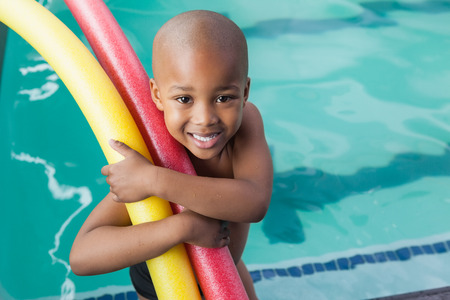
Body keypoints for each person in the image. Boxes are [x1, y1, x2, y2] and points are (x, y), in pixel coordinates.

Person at [69, 10, 273, 300]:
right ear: (157, 94)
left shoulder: (246, 125)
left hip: (228, 274)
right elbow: (82, 256)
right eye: (184, 99)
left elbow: (254, 203)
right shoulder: (155, 153)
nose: (205, 118)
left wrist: (155, 181)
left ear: (245, 91)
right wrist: (181, 227)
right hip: (164, 292)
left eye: (224, 98)